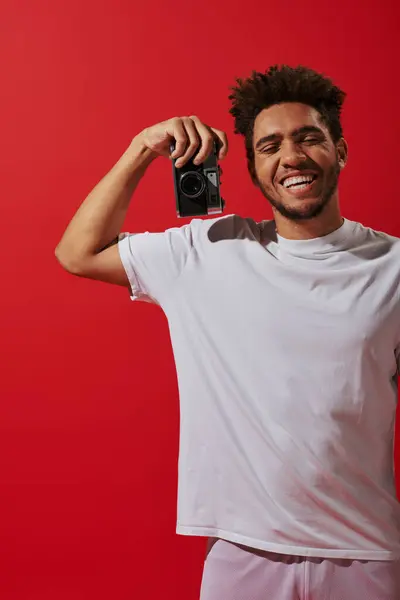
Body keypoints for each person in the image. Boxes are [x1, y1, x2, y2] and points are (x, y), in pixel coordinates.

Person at [55, 65, 400, 599]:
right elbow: (77, 252)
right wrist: (143, 148)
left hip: (368, 557)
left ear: (342, 151)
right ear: (255, 167)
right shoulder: (206, 251)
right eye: (270, 146)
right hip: (244, 559)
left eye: (310, 138)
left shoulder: (392, 266)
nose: (291, 157)